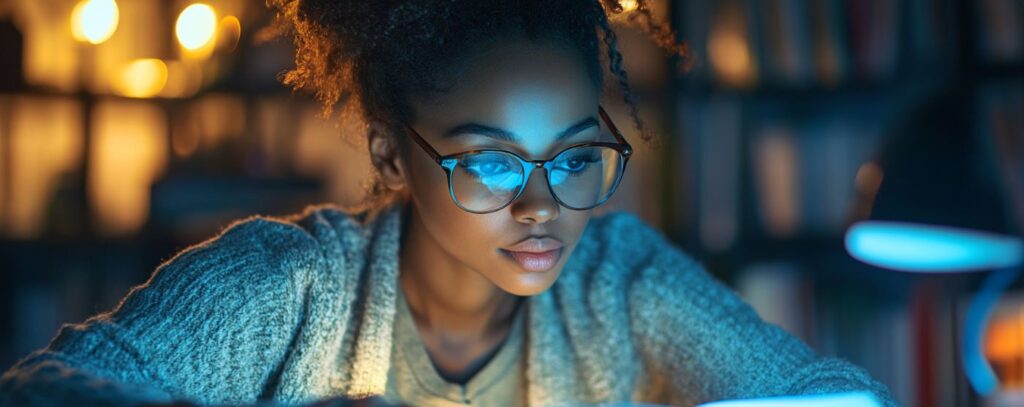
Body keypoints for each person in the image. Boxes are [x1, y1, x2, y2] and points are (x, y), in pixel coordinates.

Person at [0, 1, 897, 406]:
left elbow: (831, 393)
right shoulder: (287, 283)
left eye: (576, 156)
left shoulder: (620, 279)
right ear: (393, 150)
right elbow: (45, 389)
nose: (544, 205)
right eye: (495, 165)